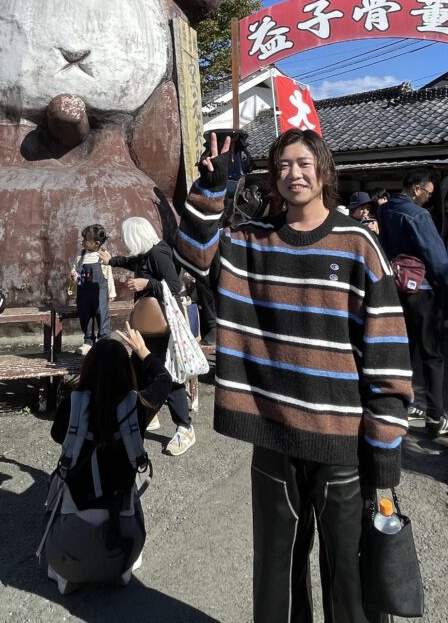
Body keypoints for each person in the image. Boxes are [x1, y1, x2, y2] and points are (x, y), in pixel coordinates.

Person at [175, 129, 412, 623]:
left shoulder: (358, 242)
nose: (293, 174)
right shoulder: (250, 243)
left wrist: (384, 452)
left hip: (342, 443)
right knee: (276, 578)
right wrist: (213, 188)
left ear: (323, 171)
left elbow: (387, 351)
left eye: (303, 163)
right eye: (282, 166)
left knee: (349, 580)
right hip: (274, 438)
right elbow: (192, 257)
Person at [45, 326, 171, 594]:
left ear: (88, 369)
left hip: (69, 555)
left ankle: (71, 575)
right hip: (123, 547)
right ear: (127, 373)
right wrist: (142, 350)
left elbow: (58, 436)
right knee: (129, 497)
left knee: (57, 486)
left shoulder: (72, 403)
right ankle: (119, 570)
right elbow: (163, 379)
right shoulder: (136, 407)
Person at [378, 170, 448, 437]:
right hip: (423, 291)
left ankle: (404, 405)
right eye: (428, 192)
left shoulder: (385, 211)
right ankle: (436, 417)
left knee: (405, 352)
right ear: (416, 189)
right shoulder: (418, 215)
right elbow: (437, 258)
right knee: (432, 355)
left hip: (395, 288)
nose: (429, 198)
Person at [101, 218, 196, 456]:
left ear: (136, 236)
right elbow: (130, 260)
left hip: (162, 326)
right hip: (148, 325)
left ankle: (185, 427)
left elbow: (174, 286)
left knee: (167, 374)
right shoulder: (144, 255)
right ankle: (148, 411)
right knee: (139, 367)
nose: (125, 241)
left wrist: (147, 283)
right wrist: (111, 261)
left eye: (126, 237)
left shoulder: (158, 254)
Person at [71, 224, 116, 355]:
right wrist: (74, 275)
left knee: (101, 314)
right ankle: (88, 341)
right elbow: (75, 267)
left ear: (96, 243)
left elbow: (109, 275)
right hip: (83, 291)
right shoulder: (81, 254)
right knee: (85, 315)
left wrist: (111, 292)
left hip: (100, 291)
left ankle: (104, 341)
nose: (83, 242)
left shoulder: (103, 255)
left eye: (86, 240)